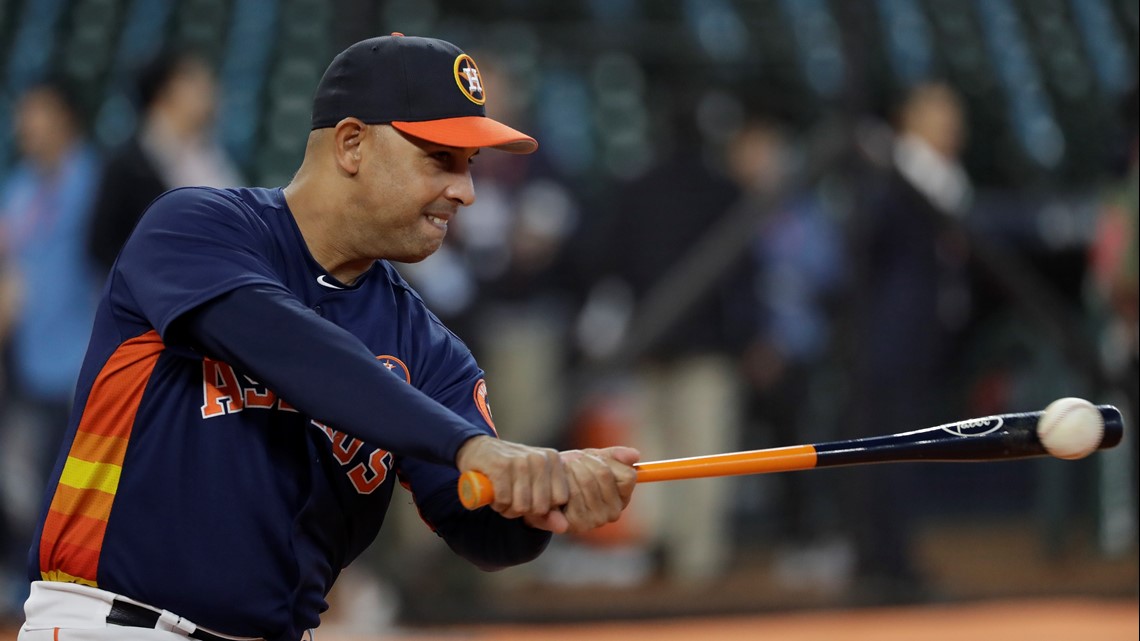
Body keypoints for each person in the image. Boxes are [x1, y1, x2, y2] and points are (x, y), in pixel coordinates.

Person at [17, 34, 639, 641]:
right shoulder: (195, 226)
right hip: (117, 623)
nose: (465, 191)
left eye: (469, 165)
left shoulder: (429, 348)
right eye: (439, 159)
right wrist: (469, 446)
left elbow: (478, 529)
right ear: (351, 144)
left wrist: (538, 500)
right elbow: (290, 345)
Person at [0, 78, 101, 618]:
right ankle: (33, 589)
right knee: (30, 483)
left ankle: (79, 596)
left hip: (84, 359)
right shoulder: (18, 188)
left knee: (81, 488)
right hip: (30, 362)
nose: (25, 125)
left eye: (35, 112)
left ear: (64, 117)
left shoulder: (93, 181)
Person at [87, 48, 242, 275]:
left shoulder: (209, 155)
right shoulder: (127, 166)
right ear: (165, 92)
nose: (210, 90)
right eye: (194, 82)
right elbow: (101, 247)